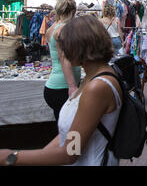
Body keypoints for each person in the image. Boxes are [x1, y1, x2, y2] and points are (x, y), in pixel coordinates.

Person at [0, 15, 122, 166]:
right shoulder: (92, 78)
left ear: (81, 46)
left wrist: (11, 157)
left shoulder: (97, 87)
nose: (63, 54)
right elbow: (71, 133)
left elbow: (71, 152)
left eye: (66, 47)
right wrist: (41, 155)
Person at [43, 0, 82, 122]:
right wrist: (72, 87)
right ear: (72, 12)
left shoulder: (52, 28)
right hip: (63, 88)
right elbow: (64, 58)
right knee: (69, 130)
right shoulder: (64, 29)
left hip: (56, 86)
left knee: (63, 128)